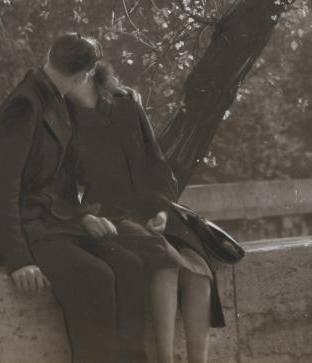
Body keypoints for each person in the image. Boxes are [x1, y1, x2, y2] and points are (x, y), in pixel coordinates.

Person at [0, 32, 148, 363]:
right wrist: (19, 260)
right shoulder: (25, 105)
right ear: (84, 74)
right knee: (97, 278)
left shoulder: (55, 99)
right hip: (29, 229)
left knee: (131, 267)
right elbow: (1, 189)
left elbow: (66, 181)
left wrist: (84, 215)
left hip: (57, 223)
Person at [66, 60, 224, 363]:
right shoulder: (64, 118)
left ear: (89, 72)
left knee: (200, 271)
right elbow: (64, 183)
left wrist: (163, 210)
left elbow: (156, 162)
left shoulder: (126, 104)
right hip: (109, 214)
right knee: (164, 261)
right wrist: (84, 215)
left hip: (153, 206)